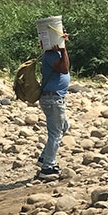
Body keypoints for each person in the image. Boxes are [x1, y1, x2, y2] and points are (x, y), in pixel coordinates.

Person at [36, 35, 70, 181]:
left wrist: (63, 49)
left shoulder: (54, 52)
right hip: (53, 99)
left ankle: (44, 158)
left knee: (64, 126)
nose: (65, 36)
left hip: (54, 98)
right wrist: (63, 50)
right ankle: (47, 167)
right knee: (55, 133)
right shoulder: (51, 54)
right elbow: (64, 68)